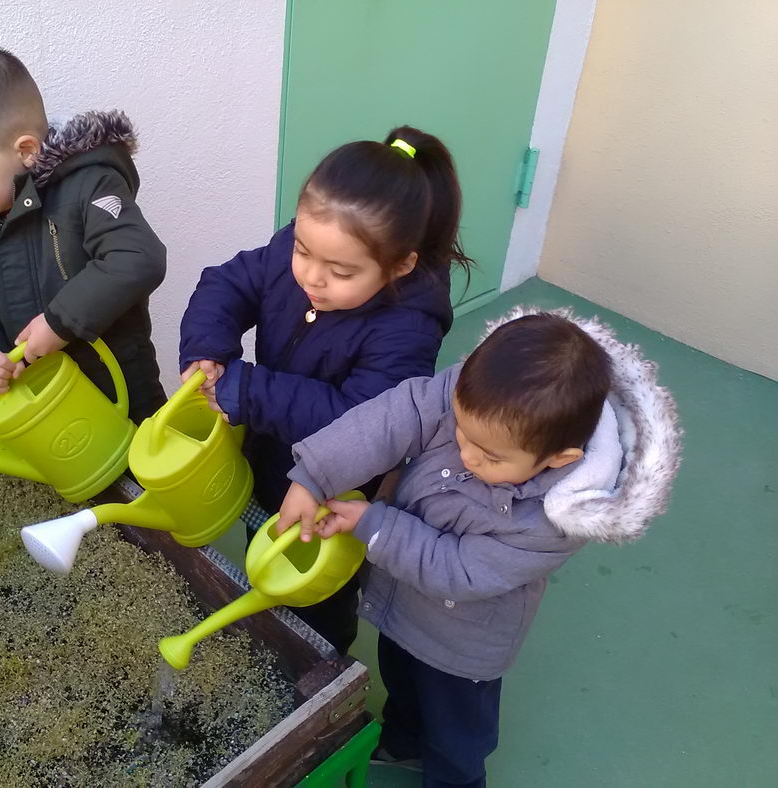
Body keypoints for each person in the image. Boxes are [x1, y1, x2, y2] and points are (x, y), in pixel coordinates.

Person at [276, 309, 682, 787]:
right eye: (462, 434)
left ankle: (456, 780)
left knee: (456, 733)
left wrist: (376, 525)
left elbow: (462, 571)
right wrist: (315, 474)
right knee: (401, 680)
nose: (466, 453)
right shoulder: (478, 401)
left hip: (463, 645)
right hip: (401, 598)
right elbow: (392, 418)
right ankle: (403, 740)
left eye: (489, 456)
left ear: (558, 459)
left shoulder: (553, 521)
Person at [179, 126, 472, 652]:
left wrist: (248, 391)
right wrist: (207, 350)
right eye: (302, 250)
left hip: (339, 485)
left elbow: (362, 421)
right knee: (265, 539)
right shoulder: (297, 259)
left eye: (339, 271)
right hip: (272, 449)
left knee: (314, 588)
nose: (311, 278)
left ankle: (322, 656)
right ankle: (267, 623)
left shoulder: (408, 325)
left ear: (399, 265)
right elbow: (227, 283)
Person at [0, 43, 167, 420]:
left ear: (26, 150)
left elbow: (137, 257)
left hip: (122, 393)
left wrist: (59, 322)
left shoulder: (89, 184)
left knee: (138, 476)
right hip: (43, 403)